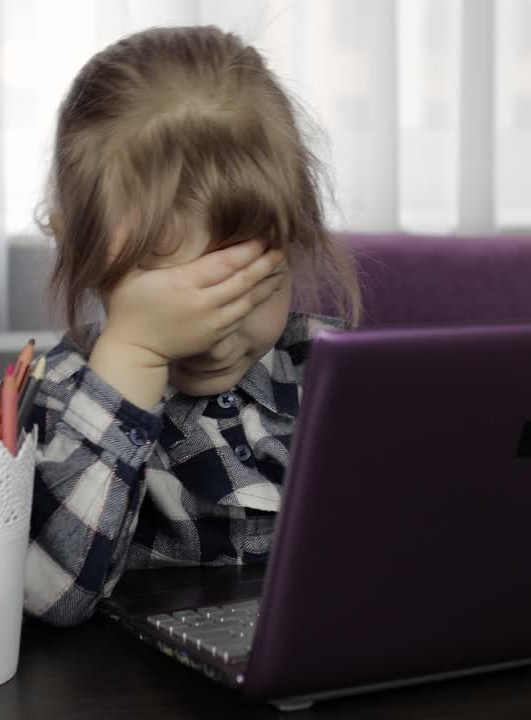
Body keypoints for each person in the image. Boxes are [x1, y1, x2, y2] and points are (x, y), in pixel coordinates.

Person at [25, 25, 362, 626]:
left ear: (296, 240)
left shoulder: (334, 369)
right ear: (80, 250)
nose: (214, 333)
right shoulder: (59, 396)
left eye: (245, 288)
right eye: (170, 299)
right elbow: (48, 595)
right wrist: (135, 351)